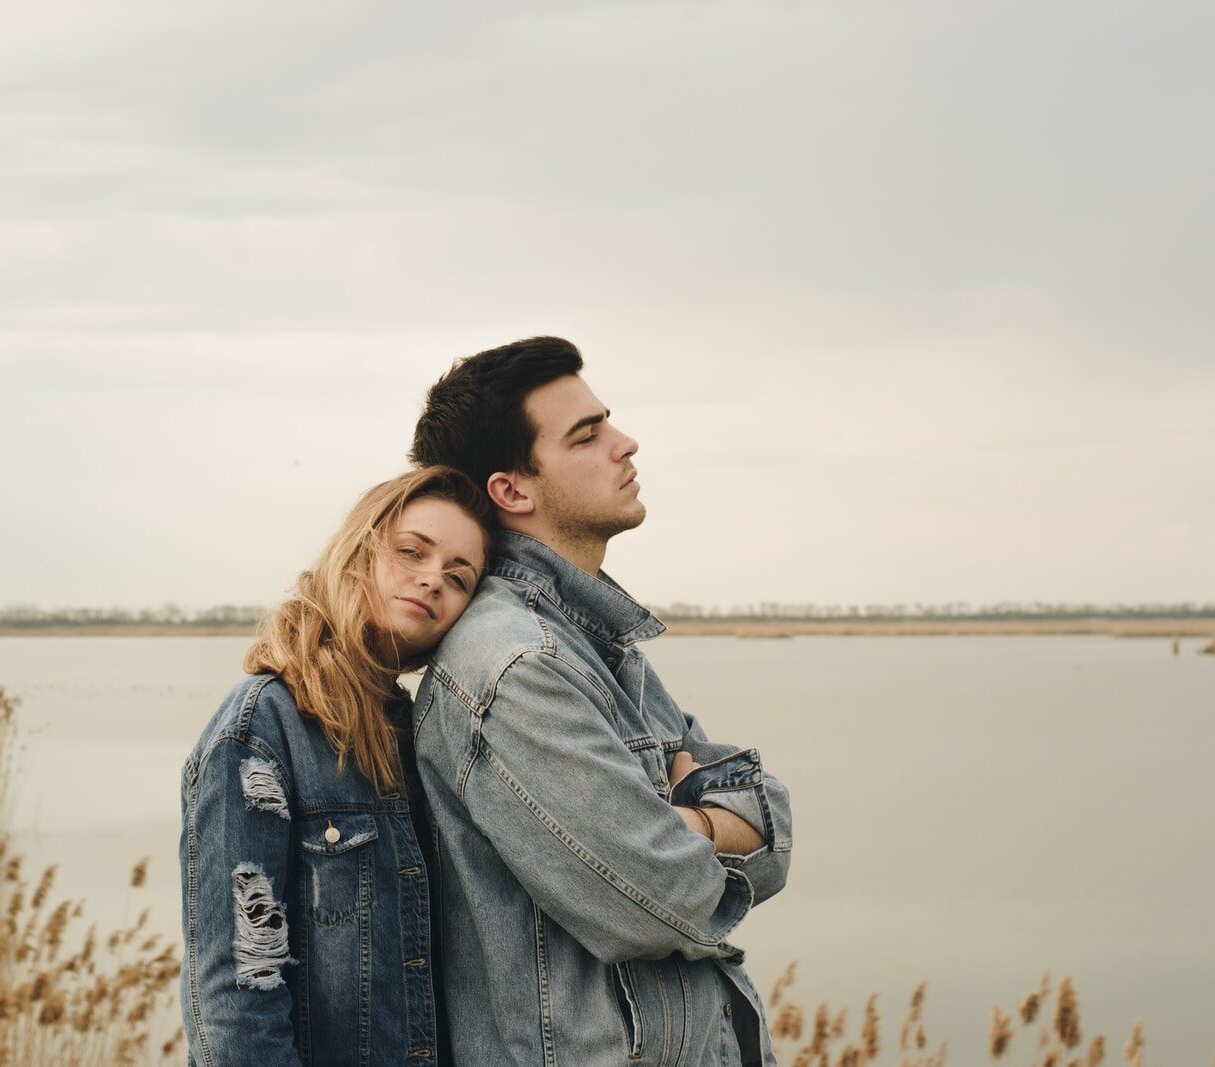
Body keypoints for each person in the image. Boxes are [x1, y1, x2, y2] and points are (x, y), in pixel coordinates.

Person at [409, 337, 793, 1067]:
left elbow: (771, 821)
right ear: (512, 490)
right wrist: (709, 821)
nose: (626, 443)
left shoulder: (598, 646)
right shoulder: (516, 667)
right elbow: (658, 897)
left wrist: (681, 827)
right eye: (587, 435)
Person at [178, 465, 491, 1067]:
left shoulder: (419, 734)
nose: (433, 580)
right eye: (411, 552)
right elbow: (236, 999)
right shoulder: (262, 726)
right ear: (357, 553)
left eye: (458, 577)